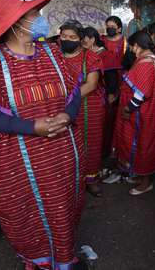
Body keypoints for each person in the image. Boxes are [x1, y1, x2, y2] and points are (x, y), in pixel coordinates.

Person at [0, 0, 86, 269]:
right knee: (29, 215)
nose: (40, 18)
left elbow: (73, 92)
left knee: (64, 209)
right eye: (33, 14)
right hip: (19, 163)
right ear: (15, 22)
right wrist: (30, 126)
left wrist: (67, 114)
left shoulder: (51, 52)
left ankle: (64, 259)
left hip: (62, 155)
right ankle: (39, 261)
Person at [113, 31, 155, 195]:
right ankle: (140, 176)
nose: (131, 50)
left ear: (137, 45)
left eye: (131, 46)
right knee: (141, 145)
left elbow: (141, 93)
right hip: (146, 113)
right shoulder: (149, 60)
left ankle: (146, 182)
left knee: (143, 146)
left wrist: (127, 109)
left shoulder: (146, 63)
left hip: (142, 115)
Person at [60, 20, 105, 198]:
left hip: (89, 108)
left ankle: (91, 179)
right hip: (61, 107)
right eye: (64, 36)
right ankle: (71, 181)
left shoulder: (91, 57)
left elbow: (92, 84)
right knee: (66, 144)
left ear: (80, 39)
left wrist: (69, 99)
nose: (67, 40)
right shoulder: (55, 56)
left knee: (90, 143)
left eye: (72, 37)